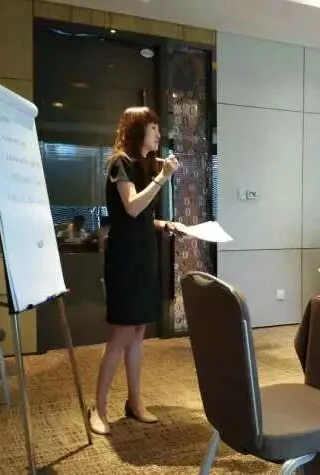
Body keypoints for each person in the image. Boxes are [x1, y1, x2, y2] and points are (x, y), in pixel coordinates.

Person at [89, 106, 186, 435]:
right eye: (153, 128)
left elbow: (141, 217)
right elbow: (130, 207)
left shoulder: (144, 167)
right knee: (121, 335)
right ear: (137, 131)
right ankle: (98, 408)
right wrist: (163, 177)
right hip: (125, 260)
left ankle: (134, 402)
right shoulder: (121, 163)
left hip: (144, 258)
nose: (159, 134)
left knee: (139, 333)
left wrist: (165, 224)